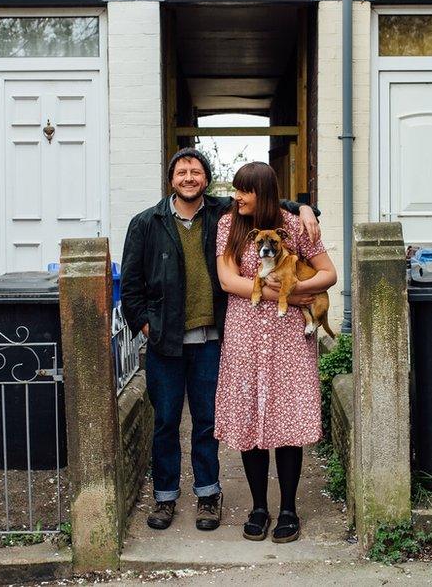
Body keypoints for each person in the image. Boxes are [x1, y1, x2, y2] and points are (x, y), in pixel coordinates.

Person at [120, 148, 320, 532]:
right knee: (164, 422)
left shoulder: (222, 214)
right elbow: (130, 285)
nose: (189, 178)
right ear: (171, 179)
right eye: (182, 172)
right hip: (166, 341)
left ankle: (208, 495)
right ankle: (165, 499)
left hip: (213, 338)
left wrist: (307, 208)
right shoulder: (146, 223)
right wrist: (147, 326)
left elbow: (265, 202)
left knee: (206, 422)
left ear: (207, 179)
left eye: (196, 172)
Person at [214, 161, 337, 544]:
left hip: (288, 339)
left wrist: (303, 289)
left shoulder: (298, 226)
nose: (237, 197)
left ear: (263, 193)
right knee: (250, 419)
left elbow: (328, 273)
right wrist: (273, 292)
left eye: (244, 191)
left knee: (287, 423)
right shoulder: (228, 225)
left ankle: (287, 509)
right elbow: (227, 279)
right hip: (245, 335)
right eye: (235, 190)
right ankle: (258, 507)